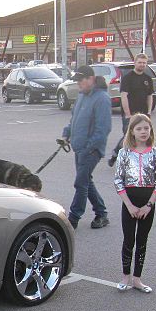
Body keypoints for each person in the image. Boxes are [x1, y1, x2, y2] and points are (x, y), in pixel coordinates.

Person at [113, 113, 156, 293]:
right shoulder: (124, 153)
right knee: (129, 240)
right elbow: (118, 180)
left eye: (146, 128)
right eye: (139, 128)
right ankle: (125, 276)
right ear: (132, 132)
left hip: (147, 203)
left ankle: (137, 279)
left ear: (150, 130)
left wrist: (148, 205)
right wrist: (129, 205)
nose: (143, 132)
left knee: (142, 240)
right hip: (130, 201)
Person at [61, 65, 112, 230]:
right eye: (77, 81)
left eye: (81, 80)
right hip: (79, 147)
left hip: (91, 150)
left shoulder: (102, 98)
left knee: (80, 183)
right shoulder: (82, 96)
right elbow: (74, 119)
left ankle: (72, 220)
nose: (79, 84)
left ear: (91, 79)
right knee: (86, 182)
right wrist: (66, 134)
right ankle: (101, 213)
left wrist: (88, 148)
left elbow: (103, 129)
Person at [109, 53, 153, 167]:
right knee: (128, 137)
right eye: (140, 62)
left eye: (144, 63)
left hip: (143, 114)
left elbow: (150, 96)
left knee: (143, 137)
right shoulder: (128, 78)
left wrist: (149, 112)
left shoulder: (147, 79)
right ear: (135, 62)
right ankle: (116, 153)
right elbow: (124, 96)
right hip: (130, 114)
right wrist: (128, 114)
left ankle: (138, 160)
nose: (142, 65)